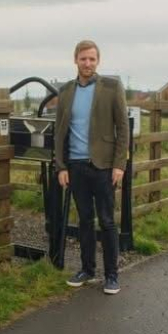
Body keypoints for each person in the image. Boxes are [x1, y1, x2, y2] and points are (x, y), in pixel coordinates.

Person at [54, 39, 129, 294]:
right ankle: (87, 269)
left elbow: (123, 128)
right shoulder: (65, 92)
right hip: (76, 167)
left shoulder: (111, 86)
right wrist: (61, 166)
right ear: (75, 60)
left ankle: (111, 275)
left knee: (107, 221)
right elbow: (59, 133)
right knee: (85, 220)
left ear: (98, 61)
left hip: (104, 167)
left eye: (92, 59)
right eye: (83, 58)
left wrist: (120, 164)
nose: (87, 63)